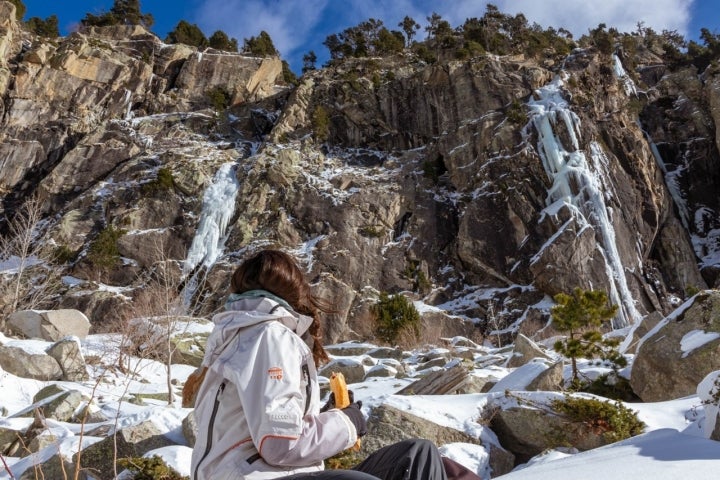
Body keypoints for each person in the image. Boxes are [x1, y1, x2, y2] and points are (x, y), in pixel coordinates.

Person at [190, 249, 468, 480]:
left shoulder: (242, 335)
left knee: (420, 455)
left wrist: (325, 416)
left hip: (266, 472)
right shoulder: (270, 334)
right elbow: (279, 445)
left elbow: (269, 428)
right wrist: (347, 422)